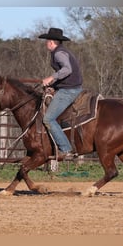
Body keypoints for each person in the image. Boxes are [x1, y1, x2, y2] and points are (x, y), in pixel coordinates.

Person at [39, 27, 83, 160]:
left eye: (47, 41)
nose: (46, 43)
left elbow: (67, 70)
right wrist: (53, 85)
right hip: (69, 87)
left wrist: (51, 78)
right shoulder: (62, 51)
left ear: (51, 42)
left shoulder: (59, 54)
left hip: (69, 90)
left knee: (48, 119)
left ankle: (65, 149)